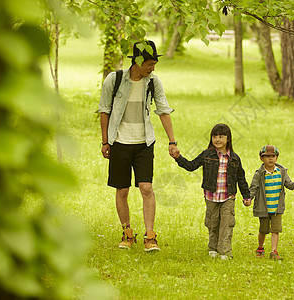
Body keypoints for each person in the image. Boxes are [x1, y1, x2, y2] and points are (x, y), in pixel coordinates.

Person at [98, 40, 178, 251]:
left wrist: (172, 141)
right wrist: (105, 141)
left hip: (144, 143)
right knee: (122, 190)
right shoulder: (113, 80)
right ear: (138, 61)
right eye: (150, 64)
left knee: (146, 187)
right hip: (119, 143)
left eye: (154, 64)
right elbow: (104, 111)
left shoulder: (153, 82)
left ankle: (150, 236)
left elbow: (163, 110)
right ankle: (127, 233)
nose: (153, 68)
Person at [172, 123, 250, 260]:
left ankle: (225, 251)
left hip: (228, 196)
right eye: (214, 136)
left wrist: (246, 196)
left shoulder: (234, 158)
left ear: (228, 139)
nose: (217, 140)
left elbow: (241, 178)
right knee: (212, 223)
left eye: (221, 137)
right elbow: (191, 166)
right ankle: (213, 247)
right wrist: (179, 158)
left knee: (227, 223)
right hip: (211, 196)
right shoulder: (206, 154)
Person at [246, 145, 294, 260]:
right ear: (262, 159)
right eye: (267, 157)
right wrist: (248, 199)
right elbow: (253, 188)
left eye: (273, 156)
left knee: (275, 230)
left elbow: (290, 185)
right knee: (263, 230)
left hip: (277, 208)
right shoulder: (259, 174)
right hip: (263, 208)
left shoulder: (281, 172)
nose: (270, 159)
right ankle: (260, 247)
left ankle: (274, 251)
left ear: (277, 158)